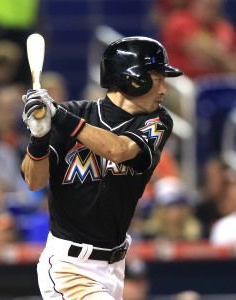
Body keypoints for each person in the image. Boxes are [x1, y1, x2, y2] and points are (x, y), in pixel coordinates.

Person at [21, 36, 183, 300]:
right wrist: (38, 139)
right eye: (158, 79)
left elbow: (118, 150)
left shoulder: (158, 120)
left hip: (116, 267)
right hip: (69, 266)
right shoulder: (75, 113)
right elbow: (35, 182)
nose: (164, 89)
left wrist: (59, 116)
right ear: (133, 78)